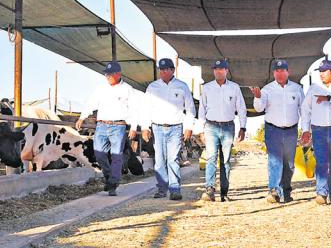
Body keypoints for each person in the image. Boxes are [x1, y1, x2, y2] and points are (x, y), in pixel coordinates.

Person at [76, 61, 138, 196]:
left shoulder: (127, 89)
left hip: (119, 126)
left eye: (110, 74)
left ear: (118, 74)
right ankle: (110, 177)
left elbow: (134, 109)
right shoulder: (101, 89)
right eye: (106, 74)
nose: (108, 76)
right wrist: (82, 117)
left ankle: (113, 183)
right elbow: (91, 103)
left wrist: (133, 126)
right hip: (102, 125)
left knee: (116, 156)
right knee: (99, 153)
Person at [141, 58, 196, 200]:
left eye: (167, 69)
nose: (164, 72)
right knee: (159, 160)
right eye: (161, 69)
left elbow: (190, 108)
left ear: (173, 70)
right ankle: (161, 188)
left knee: (172, 159)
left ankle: (175, 189)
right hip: (157, 128)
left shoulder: (182, 86)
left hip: (175, 128)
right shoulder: (152, 87)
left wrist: (189, 127)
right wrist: (145, 127)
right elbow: (145, 109)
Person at [251, 59, 304, 203]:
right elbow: (259, 108)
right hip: (273, 130)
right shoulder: (267, 89)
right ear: (273, 73)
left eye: (282, 71)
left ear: (288, 72)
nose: (280, 74)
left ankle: (286, 190)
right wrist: (257, 97)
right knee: (275, 161)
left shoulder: (297, 89)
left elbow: (303, 111)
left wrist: (306, 130)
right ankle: (273, 190)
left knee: (289, 164)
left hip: (291, 131)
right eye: (277, 71)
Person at [300, 60, 331, 205]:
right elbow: (305, 109)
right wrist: (305, 130)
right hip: (319, 130)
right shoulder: (314, 88)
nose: (322, 74)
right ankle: (321, 193)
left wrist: (329, 98)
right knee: (321, 162)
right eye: (320, 71)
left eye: (325, 71)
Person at [198, 59, 247, 202]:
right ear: (213, 71)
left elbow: (241, 108)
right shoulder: (206, 88)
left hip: (228, 127)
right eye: (216, 69)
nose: (218, 71)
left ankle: (224, 192)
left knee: (225, 160)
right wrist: (201, 130)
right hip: (211, 126)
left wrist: (243, 127)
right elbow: (202, 109)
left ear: (226, 71)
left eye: (221, 69)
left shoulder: (234, 87)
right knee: (211, 157)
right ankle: (210, 189)